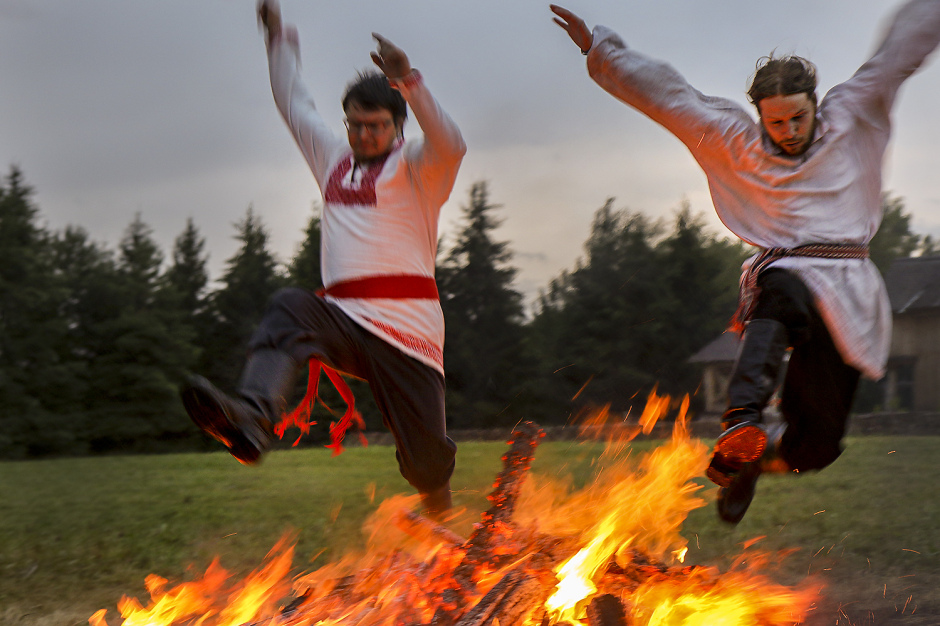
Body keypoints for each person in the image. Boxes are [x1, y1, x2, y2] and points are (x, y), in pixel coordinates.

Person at [551, 1, 940, 523]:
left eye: (799, 116)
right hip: (790, 274)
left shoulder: (853, 114)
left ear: (815, 103)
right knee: (783, 287)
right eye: (775, 121)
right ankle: (742, 419)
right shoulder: (735, 139)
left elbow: (899, 53)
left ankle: (751, 461)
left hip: (849, 292)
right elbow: (669, 96)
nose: (788, 130)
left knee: (815, 450)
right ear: (759, 114)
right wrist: (598, 48)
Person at [181, 0, 466, 518]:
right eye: (354, 125)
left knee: (426, 463)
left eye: (375, 126)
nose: (362, 136)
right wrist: (278, 37)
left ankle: (443, 527)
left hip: (409, 332)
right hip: (343, 318)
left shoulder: (419, 169)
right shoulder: (334, 158)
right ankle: (251, 418)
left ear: (398, 126)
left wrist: (409, 81)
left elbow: (452, 144)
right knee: (289, 307)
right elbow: (293, 101)